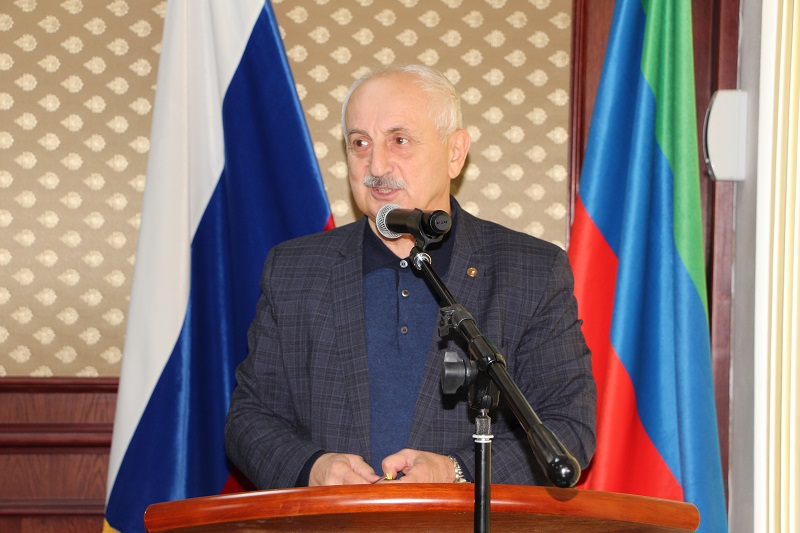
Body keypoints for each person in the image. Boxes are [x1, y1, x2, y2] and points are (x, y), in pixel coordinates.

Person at [225, 64, 596, 488]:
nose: (376, 164)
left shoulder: (530, 270)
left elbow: (568, 425)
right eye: (360, 143)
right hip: (329, 518)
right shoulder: (294, 269)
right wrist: (312, 467)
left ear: (455, 153)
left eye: (399, 140)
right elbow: (248, 418)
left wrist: (456, 472)